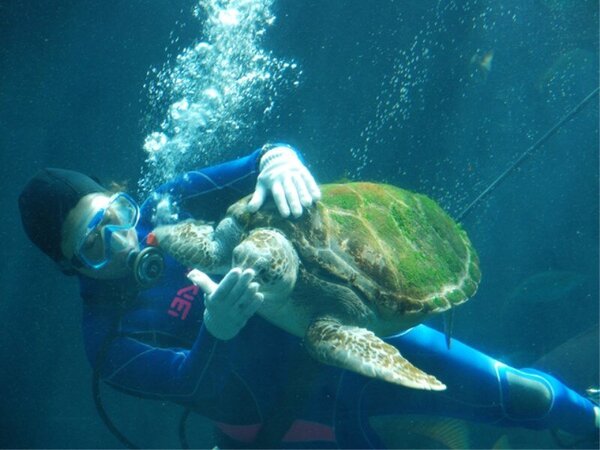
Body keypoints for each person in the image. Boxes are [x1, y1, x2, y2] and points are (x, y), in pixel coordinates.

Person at [19, 143, 599, 449]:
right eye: (94, 246)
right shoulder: (108, 342)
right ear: (71, 267)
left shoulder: (165, 207)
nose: (121, 242)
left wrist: (280, 159)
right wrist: (214, 332)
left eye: (116, 214)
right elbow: (191, 384)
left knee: (519, 394)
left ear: (123, 199)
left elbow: (263, 156)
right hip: (280, 424)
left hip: (335, 321)